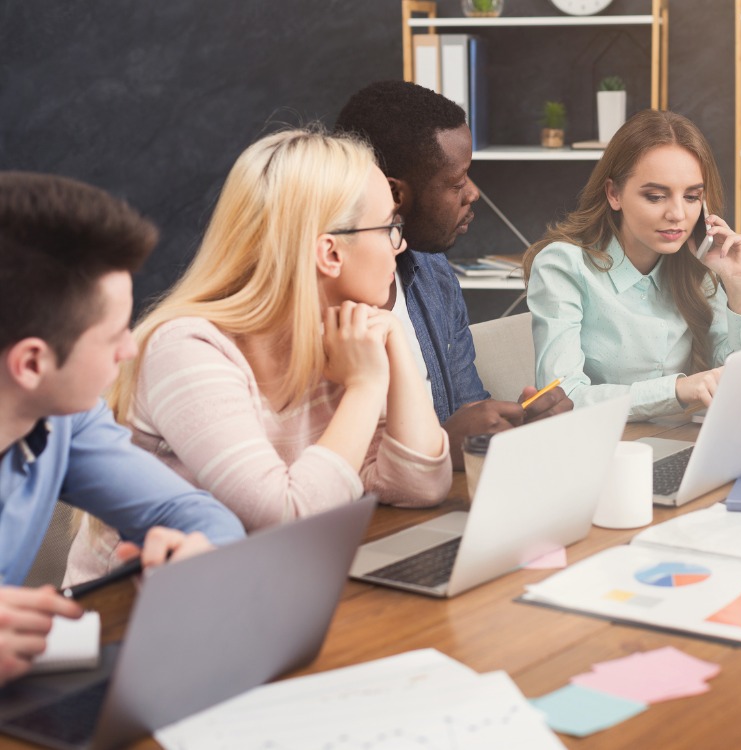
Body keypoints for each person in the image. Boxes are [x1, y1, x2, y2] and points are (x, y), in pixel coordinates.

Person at [65, 129, 452, 584]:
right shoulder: (186, 350)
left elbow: (419, 486)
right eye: (389, 228)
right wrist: (365, 388)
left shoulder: (341, 339)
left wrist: (394, 337)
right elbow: (286, 515)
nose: (399, 245)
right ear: (330, 253)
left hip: (262, 584)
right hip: (133, 608)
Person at [0, 172, 245, 685]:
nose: (130, 349)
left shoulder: (67, 419)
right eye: (113, 337)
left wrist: (196, 556)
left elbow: (194, 515)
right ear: (31, 363)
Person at [335, 81, 571, 468]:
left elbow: (468, 411)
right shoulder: (319, 301)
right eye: (457, 182)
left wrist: (518, 426)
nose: (473, 193)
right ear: (395, 195)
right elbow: (322, 475)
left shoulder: (435, 276)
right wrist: (443, 445)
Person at [522, 109, 741, 421]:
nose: (678, 214)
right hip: (601, 444)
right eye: (655, 196)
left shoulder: (697, 266)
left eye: (692, 197)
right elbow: (562, 398)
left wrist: (740, 285)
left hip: (677, 440)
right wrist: (678, 389)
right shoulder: (562, 266)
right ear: (614, 194)